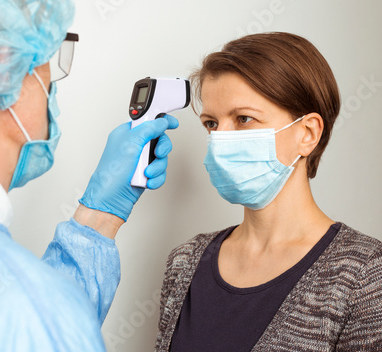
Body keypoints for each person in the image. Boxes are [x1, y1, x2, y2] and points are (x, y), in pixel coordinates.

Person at [0, 0, 179, 351]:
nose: (51, 87)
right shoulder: (26, 310)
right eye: (47, 63)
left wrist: (99, 217)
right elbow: (39, 321)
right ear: (0, 69)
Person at [156, 32, 382, 351]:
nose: (220, 140)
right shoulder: (184, 261)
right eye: (211, 123)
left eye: (244, 118)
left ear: (307, 133)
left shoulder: (365, 274)